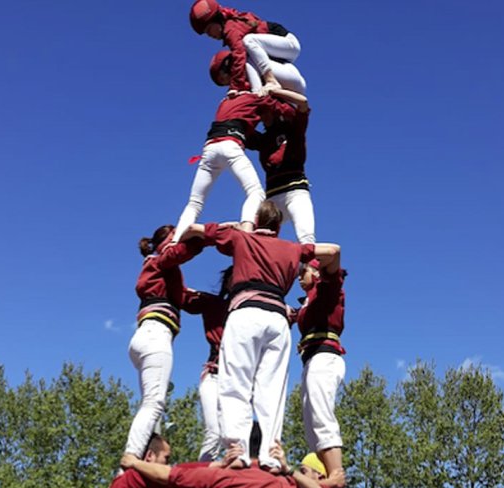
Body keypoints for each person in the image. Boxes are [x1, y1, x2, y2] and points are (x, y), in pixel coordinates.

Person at [179, 201, 341, 471]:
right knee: (272, 388)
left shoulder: (241, 238)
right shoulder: (292, 248)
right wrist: (327, 268)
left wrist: (230, 227)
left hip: (246, 313)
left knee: (235, 382)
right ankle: (270, 454)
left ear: (256, 221)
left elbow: (192, 230)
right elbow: (333, 250)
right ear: (278, 226)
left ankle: (237, 449)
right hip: (277, 318)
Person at [171, 92, 296, 243]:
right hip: (230, 146)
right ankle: (247, 231)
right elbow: (288, 111)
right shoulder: (255, 96)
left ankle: (174, 241)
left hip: (209, 149)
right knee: (255, 192)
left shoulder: (225, 100)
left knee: (195, 202)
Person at [124, 225, 204, 459]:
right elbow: (178, 253)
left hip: (147, 336)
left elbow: (189, 300)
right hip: (156, 335)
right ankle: (131, 459)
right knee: (154, 404)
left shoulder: (164, 271)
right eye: (173, 237)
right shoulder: (160, 260)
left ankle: (144, 457)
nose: (178, 241)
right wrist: (203, 237)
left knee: (150, 406)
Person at [120, 426, 343, 488]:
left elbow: (169, 474)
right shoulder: (282, 485)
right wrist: (331, 482)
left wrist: (134, 462)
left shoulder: (218, 478)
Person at [296, 257, 347, 488]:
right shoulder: (307, 301)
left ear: (316, 273)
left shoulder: (326, 288)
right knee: (311, 426)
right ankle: (327, 479)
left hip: (324, 356)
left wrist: (309, 252)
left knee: (321, 416)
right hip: (311, 359)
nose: (298, 277)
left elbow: (333, 266)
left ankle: (337, 481)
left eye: (302, 272)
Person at [190, 0, 303, 94]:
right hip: (283, 59)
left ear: (217, 19)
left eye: (209, 30)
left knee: (248, 42)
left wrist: (235, 86)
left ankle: (270, 80)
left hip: (289, 44)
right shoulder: (233, 23)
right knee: (249, 59)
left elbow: (239, 55)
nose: (210, 35)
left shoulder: (231, 29)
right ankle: (257, 93)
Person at [250, 87, 314, 244]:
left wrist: (273, 91)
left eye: (266, 111)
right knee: (257, 239)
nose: (262, 117)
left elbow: (303, 103)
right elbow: (241, 129)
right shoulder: (263, 139)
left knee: (306, 238)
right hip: (272, 197)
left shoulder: (293, 129)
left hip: (295, 191)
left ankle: (310, 268)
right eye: (260, 113)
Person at [181, 267, 232, 461]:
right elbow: (183, 295)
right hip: (214, 374)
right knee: (214, 432)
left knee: (233, 436)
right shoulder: (214, 303)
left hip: (239, 380)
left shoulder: (255, 310)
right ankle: (202, 486)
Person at [106, 435, 193, 488]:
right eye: (166, 458)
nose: (168, 465)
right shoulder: (129, 481)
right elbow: (173, 475)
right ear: (149, 456)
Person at [208, 49, 306, 95]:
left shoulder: (246, 62)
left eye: (222, 78)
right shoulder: (243, 81)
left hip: (289, 76)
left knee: (248, 61)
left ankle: (258, 91)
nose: (226, 81)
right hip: (292, 92)